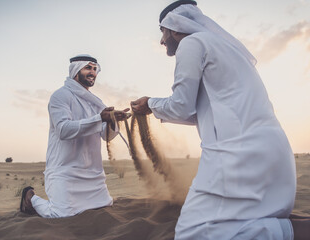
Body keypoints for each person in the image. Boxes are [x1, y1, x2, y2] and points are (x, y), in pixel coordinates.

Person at [131, 1, 309, 239]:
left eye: (162, 32)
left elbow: (181, 106)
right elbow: (203, 112)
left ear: (174, 27)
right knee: (248, 220)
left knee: (191, 233)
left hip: (237, 154)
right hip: (271, 150)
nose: (162, 40)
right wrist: (154, 110)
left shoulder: (192, 43)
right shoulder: (226, 48)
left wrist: (150, 103)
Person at [20, 54, 130, 218]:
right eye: (88, 68)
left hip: (92, 173)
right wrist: (100, 118)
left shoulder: (96, 102)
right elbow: (64, 130)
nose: (92, 72)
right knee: (60, 214)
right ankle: (30, 197)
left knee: (104, 205)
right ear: (76, 70)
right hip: (65, 171)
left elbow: (106, 136)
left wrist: (113, 121)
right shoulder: (61, 96)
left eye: (94, 69)